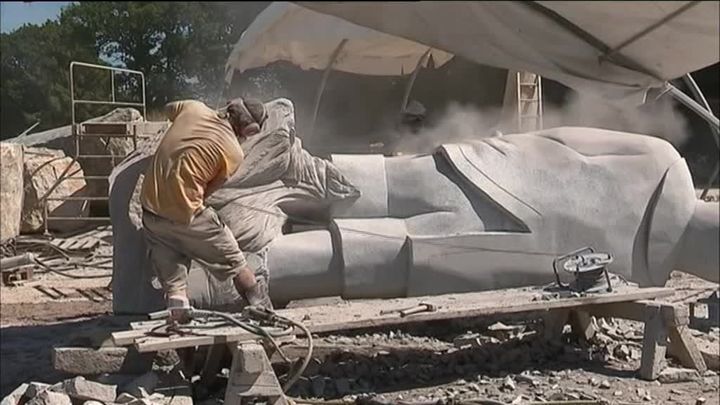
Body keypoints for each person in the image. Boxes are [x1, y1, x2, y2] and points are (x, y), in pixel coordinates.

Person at [140, 97, 272, 323]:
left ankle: (181, 337)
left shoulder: (192, 107)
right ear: (249, 130)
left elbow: (168, 108)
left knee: (174, 283)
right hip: (186, 214)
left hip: (151, 212)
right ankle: (262, 309)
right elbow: (208, 190)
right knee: (234, 259)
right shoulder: (233, 152)